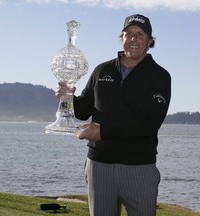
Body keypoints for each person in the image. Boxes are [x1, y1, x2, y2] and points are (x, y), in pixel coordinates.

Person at [56, 14, 171, 216]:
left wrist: (103, 132)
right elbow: (83, 110)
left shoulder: (159, 76)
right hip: (99, 166)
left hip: (139, 167)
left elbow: (148, 124)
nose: (133, 39)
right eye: (128, 34)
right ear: (122, 38)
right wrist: (69, 98)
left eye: (140, 34)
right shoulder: (102, 70)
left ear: (150, 41)